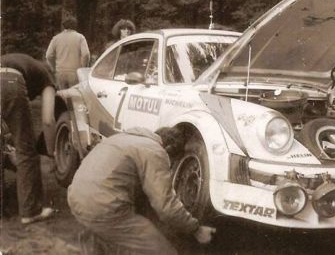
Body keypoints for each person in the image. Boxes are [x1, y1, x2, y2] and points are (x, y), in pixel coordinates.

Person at [67, 126, 216, 254]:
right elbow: (165, 206)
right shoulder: (155, 151)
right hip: (104, 208)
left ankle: (94, 241)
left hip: (77, 198)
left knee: (115, 241)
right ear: (168, 149)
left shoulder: (120, 139)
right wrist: (195, 229)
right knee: (162, 251)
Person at [0, 53, 56, 224]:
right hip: (10, 83)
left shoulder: (22, 62)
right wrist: (52, 152)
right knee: (27, 151)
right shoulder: (47, 77)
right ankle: (30, 211)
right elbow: (48, 120)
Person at [46, 16, 90, 89]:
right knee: (74, 97)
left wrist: (54, 67)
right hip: (75, 72)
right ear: (75, 26)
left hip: (60, 72)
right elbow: (86, 54)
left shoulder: (56, 38)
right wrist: (83, 66)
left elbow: (48, 55)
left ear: (64, 26)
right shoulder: (80, 37)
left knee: (63, 97)